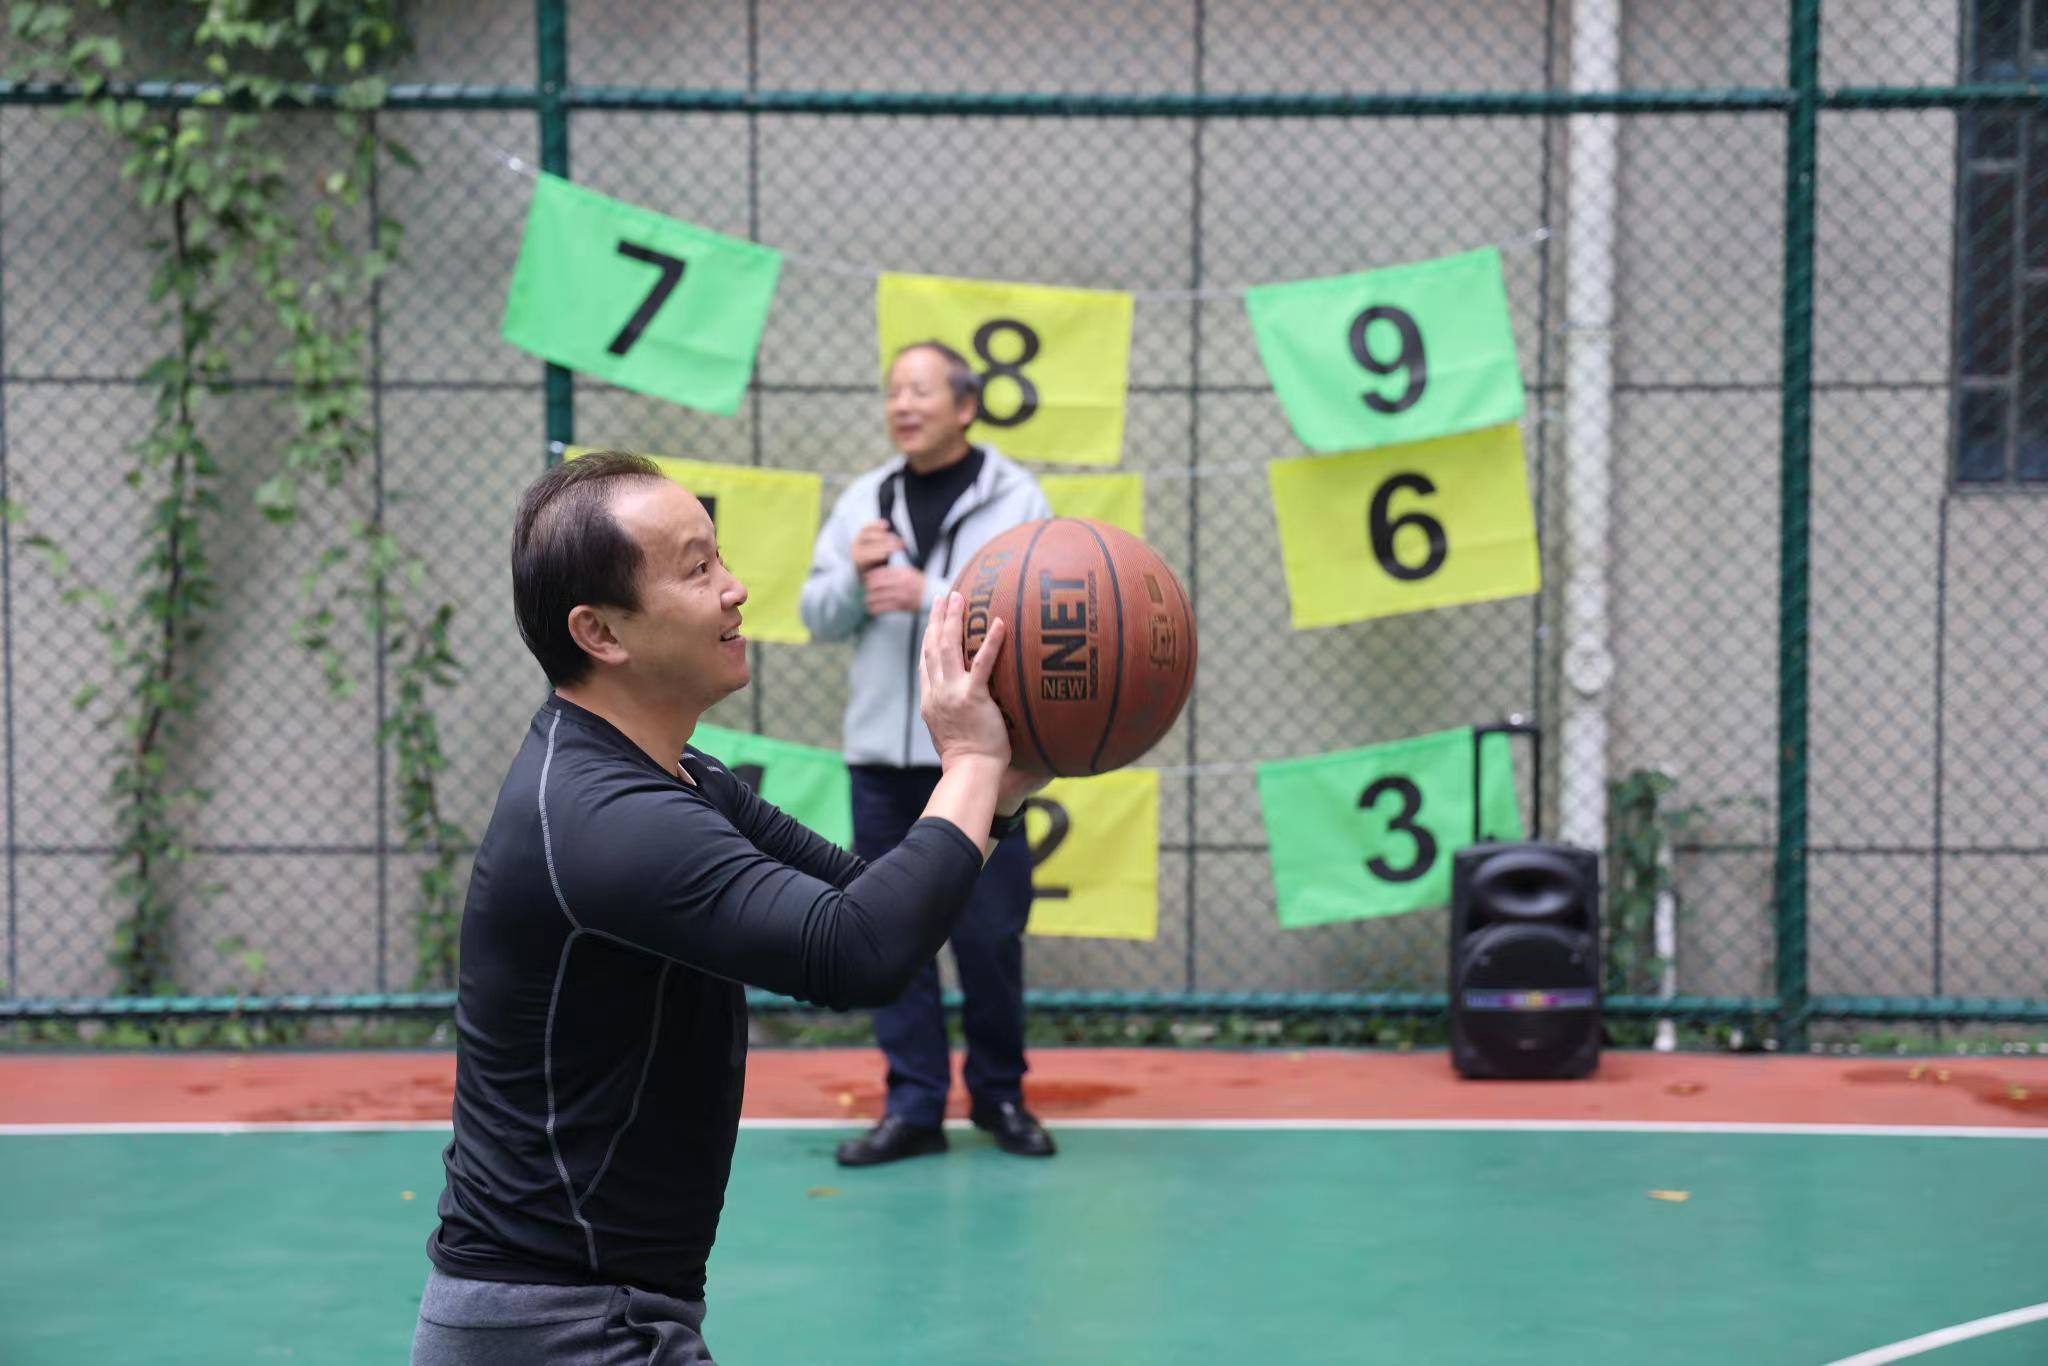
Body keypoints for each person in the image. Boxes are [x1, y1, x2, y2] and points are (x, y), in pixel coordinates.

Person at [411, 451, 1042, 1366]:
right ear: (601, 632)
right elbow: (856, 952)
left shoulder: (679, 777)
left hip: (596, 1307)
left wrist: (999, 793)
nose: (735, 589)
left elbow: (866, 897)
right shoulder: (606, 819)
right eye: (697, 569)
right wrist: (971, 766)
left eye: (721, 557)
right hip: (561, 1325)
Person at [801, 341, 1058, 1167]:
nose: (903, 405)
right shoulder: (863, 500)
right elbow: (816, 614)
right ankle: (913, 1107)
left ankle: (1000, 1096)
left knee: (989, 935)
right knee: (890, 937)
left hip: (983, 758)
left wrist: (931, 594)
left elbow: (1038, 611)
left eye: (920, 390)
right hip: (882, 759)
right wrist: (854, 575)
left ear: (965, 406)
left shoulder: (1016, 496)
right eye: (893, 392)